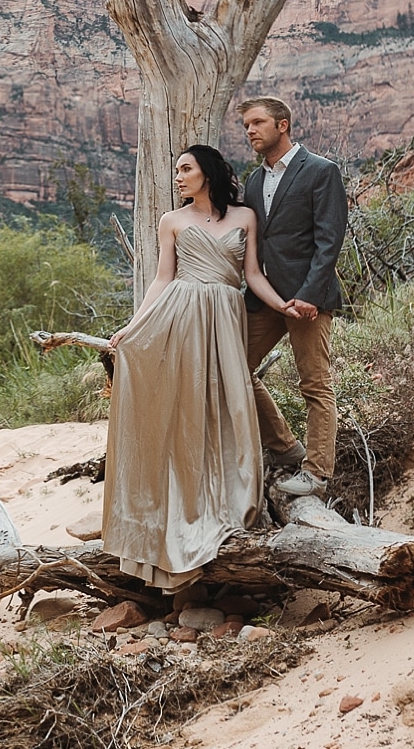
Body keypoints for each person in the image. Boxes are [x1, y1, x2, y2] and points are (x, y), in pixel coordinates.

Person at [101, 143, 301, 591]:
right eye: (175, 170)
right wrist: (133, 328)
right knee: (185, 405)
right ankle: (173, 507)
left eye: (185, 169)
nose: (178, 176)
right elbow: (162, 278)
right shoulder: (171, 221)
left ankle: (234, 498)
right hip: (181, 314)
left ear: (207, 172)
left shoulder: (245, 217)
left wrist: (282, 306)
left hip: (227, 317)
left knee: (232, 399)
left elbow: (251, 275)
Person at [236, 96, 348, 500]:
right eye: (247, 124)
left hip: (307, 302)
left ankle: (317, 473)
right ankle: (285, 446)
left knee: (315, 385)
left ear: (282, 125)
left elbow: (329, 240)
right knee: (234, 369)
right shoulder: (253, 181)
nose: (250, 130)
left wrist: (309, 295)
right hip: (265, 299)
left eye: (258, 122)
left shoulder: (320, 171)